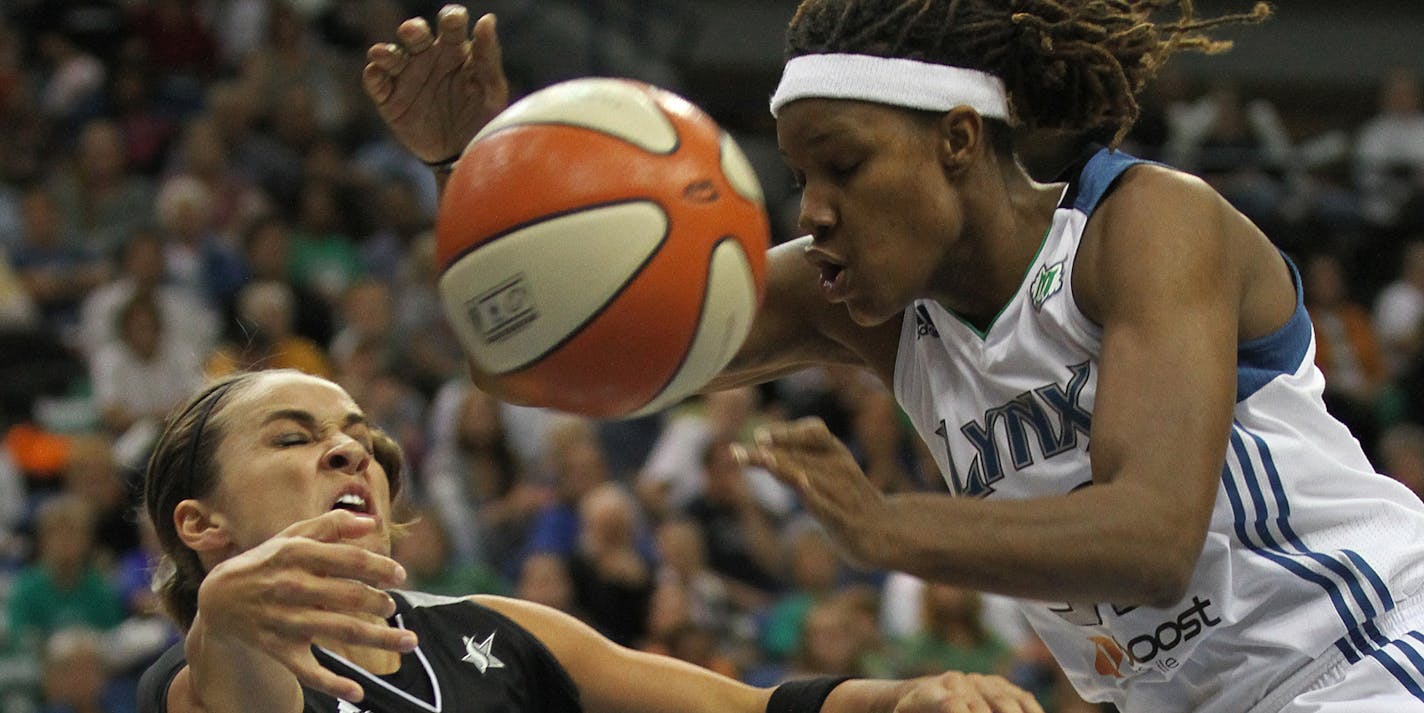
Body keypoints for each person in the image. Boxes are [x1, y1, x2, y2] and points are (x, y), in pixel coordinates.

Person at [364, 2, 1424, 711]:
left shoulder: (1143, 224)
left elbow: (1146, 536)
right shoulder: (859, 306)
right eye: (797, 177)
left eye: (844, 166)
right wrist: (481, 176)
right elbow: (536, 361)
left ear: (956, 141)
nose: (812, 211)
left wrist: (883, 524)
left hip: (1367, 649)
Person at [134, 369, 1038, 713]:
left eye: (358, 433)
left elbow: (749, 711)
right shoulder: (204, 673)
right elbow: (238, 677)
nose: (348, 447)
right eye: (292, 437)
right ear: (199, 525)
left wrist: (909, 696)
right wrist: (228, 607)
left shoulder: (499, 631)